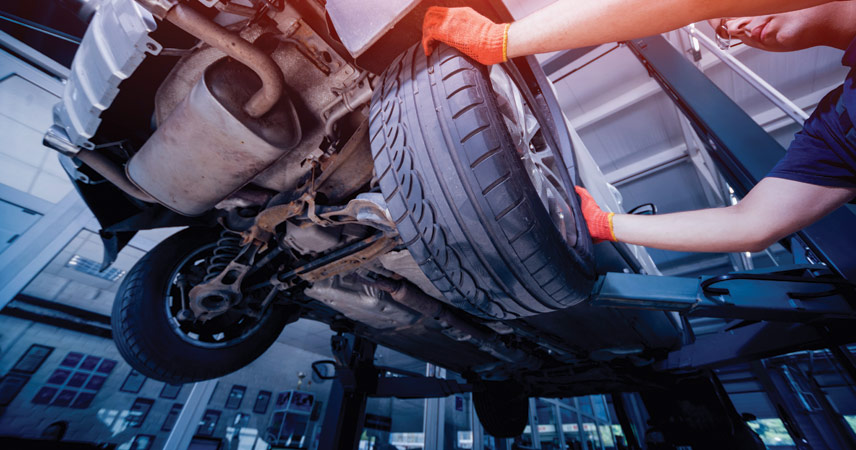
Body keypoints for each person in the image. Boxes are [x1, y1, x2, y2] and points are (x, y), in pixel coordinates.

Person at [423, 2, 856, 253]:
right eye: (728, 31)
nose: (737, 27)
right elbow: (754, 223)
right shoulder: (840, 125)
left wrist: (501, 41)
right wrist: (606, 224)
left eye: (734, 11)